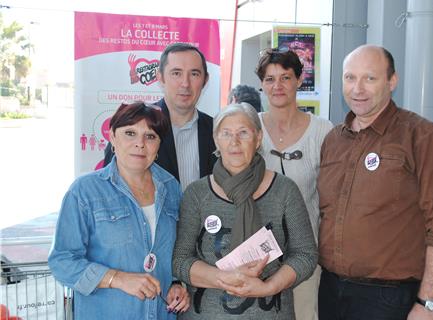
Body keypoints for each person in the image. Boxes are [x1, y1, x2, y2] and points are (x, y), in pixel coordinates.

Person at [318, 45, 433, 320]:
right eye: (350, 78)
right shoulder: (333, 140)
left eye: (369, 78)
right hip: (331, 290)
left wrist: (428, 303)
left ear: (392, 81)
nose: (357, 88)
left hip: (389, 299)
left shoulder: (424, 137)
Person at [173, 103, 318, 319]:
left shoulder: (285, 190)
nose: (235, 142)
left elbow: (306, 255)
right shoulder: (197, 193)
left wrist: (268, 287)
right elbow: (180, 260)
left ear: (258, 138)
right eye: (226, 133)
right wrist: (224, 278)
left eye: (243, 132)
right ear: (216, 140)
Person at [49, 102, 190, 319]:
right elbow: (62, 261)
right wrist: (118, 279)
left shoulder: (171, 188)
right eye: (130, 133)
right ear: (113, 138)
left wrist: (177, 284)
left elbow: (175, 252)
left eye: (150, 136)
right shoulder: (84, 192)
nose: (140, 144)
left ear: (159, 144)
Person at [255, 48, 333, 320]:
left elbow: (332, 197)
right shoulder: (248, 127)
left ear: (300, 80)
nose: (277, 86)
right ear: (262, 84)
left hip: (305, 252)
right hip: (255, 254)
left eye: (285, 77)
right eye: (269, 79)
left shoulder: (323, 132)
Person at [104, 43, 217, 191]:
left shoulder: (218, 131)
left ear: (205, 80)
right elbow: (107, 187)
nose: (185, 83)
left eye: (194, 74)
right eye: (176, 73)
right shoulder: (132, 127)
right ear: (160, 78)